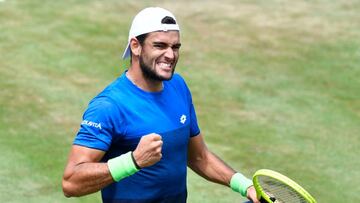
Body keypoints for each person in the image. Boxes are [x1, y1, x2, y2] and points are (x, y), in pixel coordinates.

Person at [62, 7, 259, 203]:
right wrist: (133, 161)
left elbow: (199, 157)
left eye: (175, 47)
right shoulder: (108, 106)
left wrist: (246, 186)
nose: (171, 55)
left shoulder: (178, 86)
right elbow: (71, 183)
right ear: (135, 46)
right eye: (160, 45)